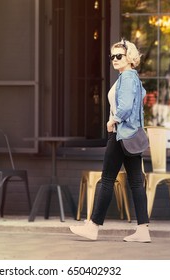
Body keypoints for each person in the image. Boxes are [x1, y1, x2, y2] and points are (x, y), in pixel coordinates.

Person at [70, 39, 151, 243]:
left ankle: (93, 227)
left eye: (119, 56)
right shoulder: (133, 78)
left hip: (120, 134)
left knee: (107, 180)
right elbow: (141, 96)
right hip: (131, 135)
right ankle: (143, 230)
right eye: (112, 56)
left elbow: (124, 107)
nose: (114, 59)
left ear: (129, 57)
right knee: (135, 182)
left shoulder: (126, 77)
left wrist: (112, 121)